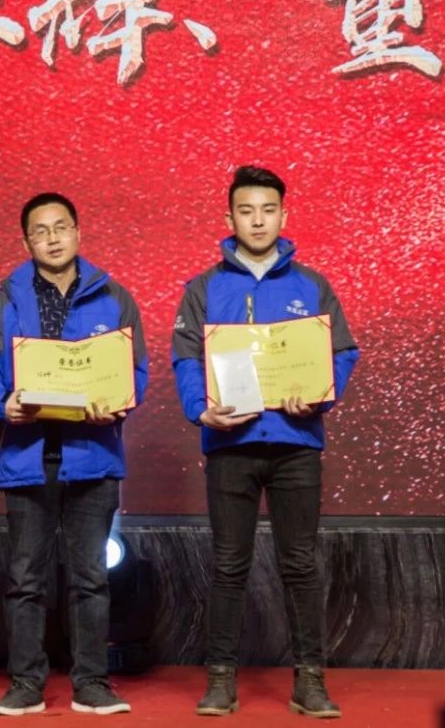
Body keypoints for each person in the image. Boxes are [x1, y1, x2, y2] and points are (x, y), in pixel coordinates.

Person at [171, 165, 359, 719]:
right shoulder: (204, 288)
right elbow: (186, 358)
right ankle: (220, 680)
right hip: (230, 444)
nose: (258, 221)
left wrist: (320, 396)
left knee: (300, 564)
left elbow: (343, 352)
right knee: (229, 564)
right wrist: (200, 411)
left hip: (296, 444)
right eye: (247, 211)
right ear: (229, 218)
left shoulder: (312, 285)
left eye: (268, 210)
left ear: (284, 215)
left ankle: (311, 682)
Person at [0, 192, 148, 717]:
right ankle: (26, 684)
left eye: (61, 227)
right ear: (27, 241)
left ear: (78, 232)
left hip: (93, 456)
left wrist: (119, 400)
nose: (52, 238)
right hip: (27, 456)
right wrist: (2, 403)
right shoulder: (3, 300)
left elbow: (135, 371)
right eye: (40, 231)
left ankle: (92, 683)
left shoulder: (114, 297)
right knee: (26, 580)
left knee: (91, 578)